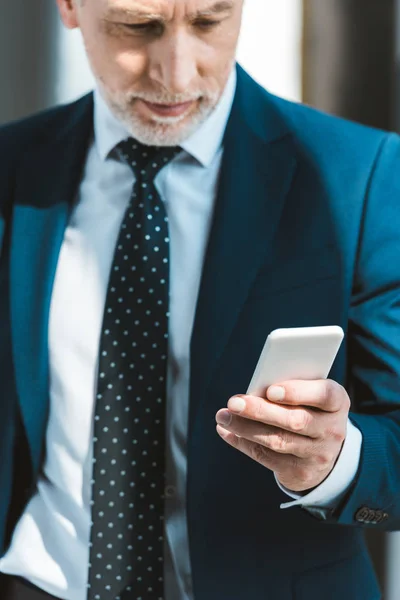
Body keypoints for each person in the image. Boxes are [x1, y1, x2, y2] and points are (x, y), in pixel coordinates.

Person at [0, 0, 399, 598]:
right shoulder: (12, 167)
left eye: (210, 22)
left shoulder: (361, 175)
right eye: (138, 26)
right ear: (70, 7)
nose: (178, 75)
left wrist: (336, 463)